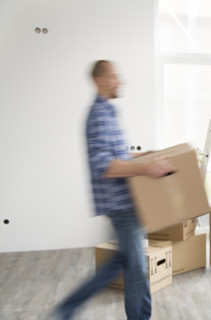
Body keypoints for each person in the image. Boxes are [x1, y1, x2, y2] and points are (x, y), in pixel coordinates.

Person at [52, 60, 174, 320]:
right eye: (115, 77)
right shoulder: (98, 115)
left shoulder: (108, 112)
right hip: (119, 204)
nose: (121, 81)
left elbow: (117, 156)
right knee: (136, 268)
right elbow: (104, 165)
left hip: (126, 201)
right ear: (100, 80)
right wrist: (146, 169)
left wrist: (142, 157)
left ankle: (67, 308)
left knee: (126, 263)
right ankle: (67, 308)